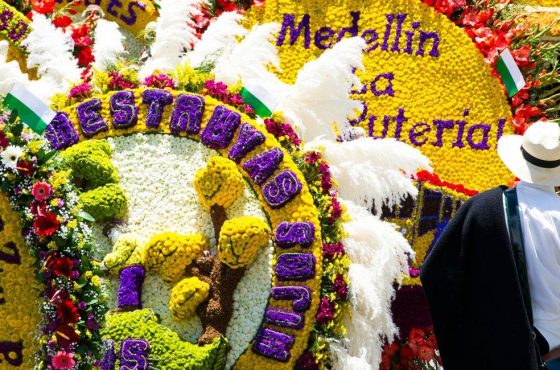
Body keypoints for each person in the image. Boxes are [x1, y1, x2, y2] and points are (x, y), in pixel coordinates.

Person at [421, 121, 560, 370]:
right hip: (553, 350)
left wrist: (463, 337)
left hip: (495, 351)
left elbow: (435, 274)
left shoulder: (482, 208)